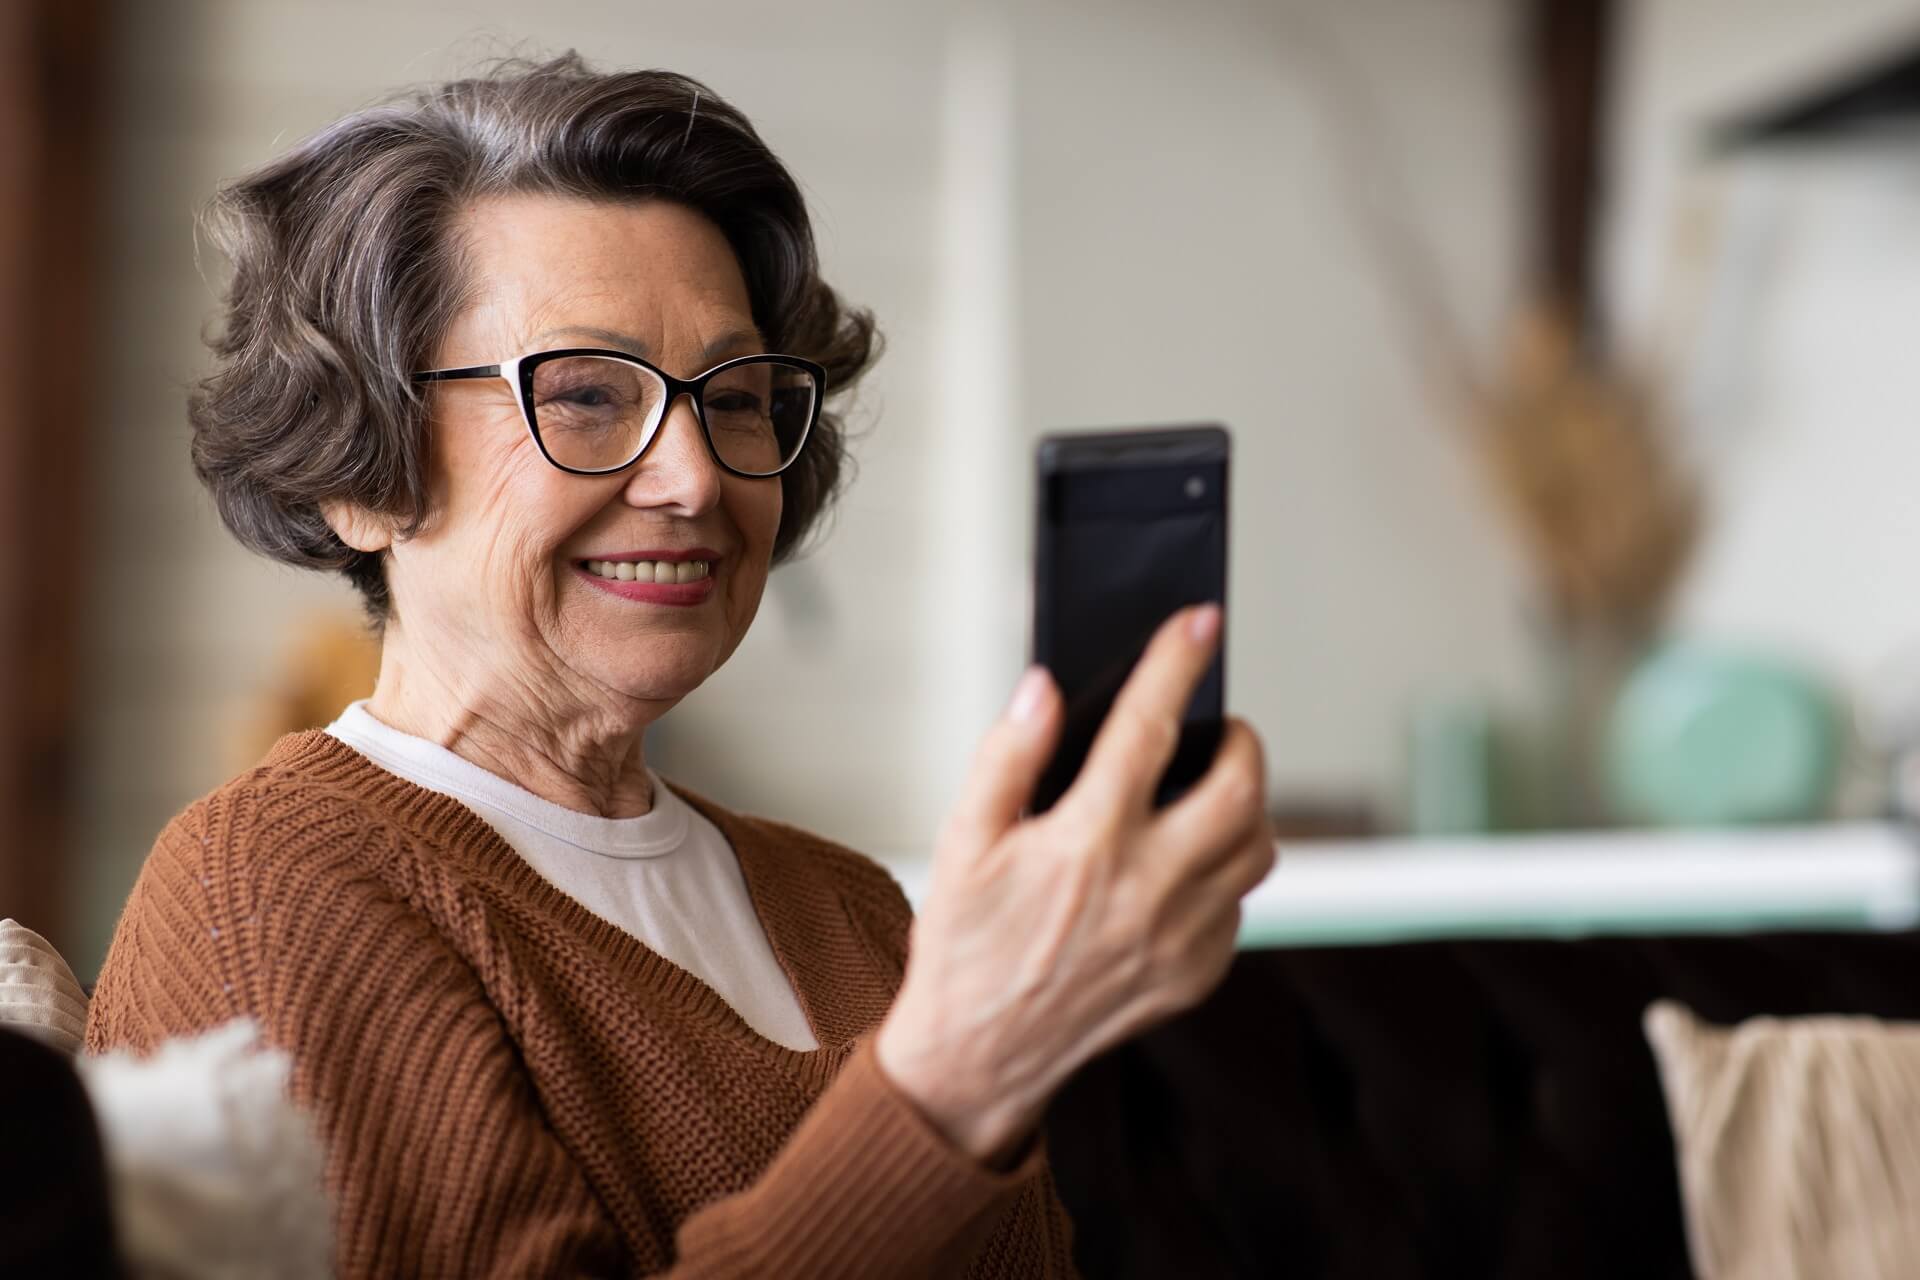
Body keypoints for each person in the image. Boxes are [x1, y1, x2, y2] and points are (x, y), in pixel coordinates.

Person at [85, 54, 1276, 1278]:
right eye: (588, 394)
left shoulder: (853, 908)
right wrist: (951, 1078)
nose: (696, 476)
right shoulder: (269, 886)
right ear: (359, 474)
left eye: (737, 396)